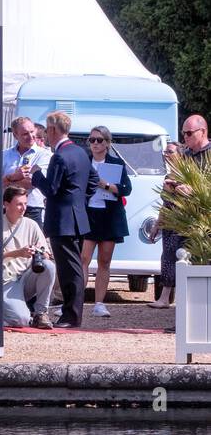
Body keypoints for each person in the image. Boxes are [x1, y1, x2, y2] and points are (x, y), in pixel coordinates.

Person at [14, 110, 97, 328]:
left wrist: (36, 174)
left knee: (69, 270)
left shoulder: (61, 156)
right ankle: (72, 313)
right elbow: (92, 182)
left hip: (63, 220)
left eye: (47, 131)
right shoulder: (81, 152)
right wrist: (78, 201)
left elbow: (51, 189)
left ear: (52, 130)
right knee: (75, 267)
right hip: (77, 217)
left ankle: (72, 315)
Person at [152, 114, 211, 310]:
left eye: (189, 133)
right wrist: (171, 187)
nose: (185, 137)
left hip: (204, 224)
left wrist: (195, 192)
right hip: (184, 221)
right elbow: (173, 182)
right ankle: (185, 317)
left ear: (202, 132)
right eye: (183, 133)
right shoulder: (185, 156)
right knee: (183, 264)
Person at [80, 126, 132, 318]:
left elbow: (127, 189)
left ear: (108, 143)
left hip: (109, 216)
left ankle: (99, 303)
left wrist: (108, 186)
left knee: (104, 261)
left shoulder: (116, 163)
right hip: (88, 214)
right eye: (92, 140)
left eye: (99, 140)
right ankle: (78, 300)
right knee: (83, 259)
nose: (95, 143)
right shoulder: (84, 162)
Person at [1, 186, 56, 329]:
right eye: (19, 204)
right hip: (5, 280)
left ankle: (40, 313)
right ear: (6, 204)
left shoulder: (31, 224)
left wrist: (39, 252)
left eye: (25, 204)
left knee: (48, 266)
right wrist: (17, 253)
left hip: (25, 277)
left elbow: (47, 255)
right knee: (21, 320)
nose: (23, 208)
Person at [1, 115, 52, 226]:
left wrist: (7, 180)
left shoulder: (45, 155)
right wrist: (13, 177)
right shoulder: (4, 155)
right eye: (25, 134)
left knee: (33, 243)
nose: (30, 136)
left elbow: (31, 182)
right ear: (15, 135)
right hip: (6, 209)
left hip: (31, 209)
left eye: (32, 131)